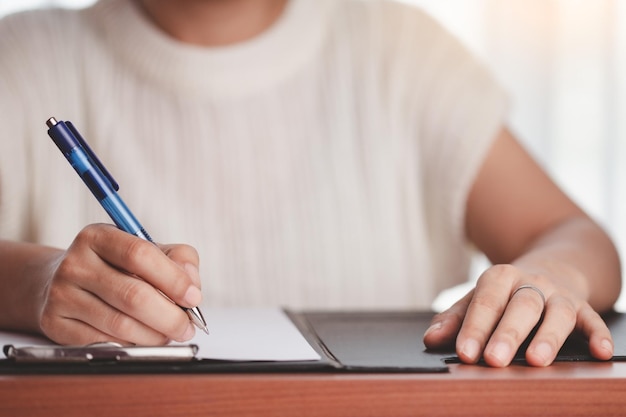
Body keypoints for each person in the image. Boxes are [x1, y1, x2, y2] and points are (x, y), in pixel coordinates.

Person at [0, 0, 621, 368]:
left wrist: (556, 277)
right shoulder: (24, 59)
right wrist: (37, 283)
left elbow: (571, 235)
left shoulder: (399, 53)